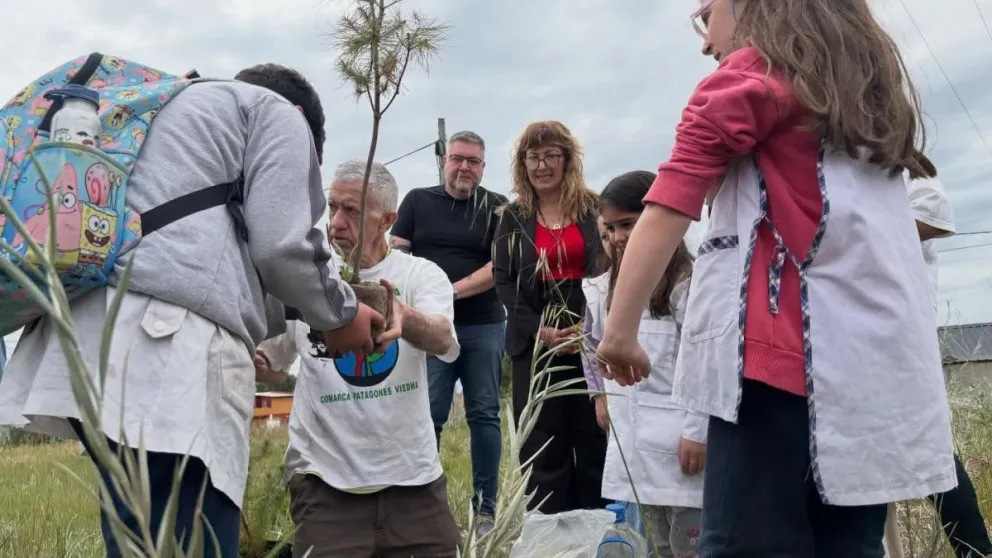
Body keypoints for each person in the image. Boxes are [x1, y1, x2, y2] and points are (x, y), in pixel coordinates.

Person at [597, 0, 956, 555]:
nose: (704, 41)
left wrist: (619, 331)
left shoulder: (749, 77)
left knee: (745, 545)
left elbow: (672, 198)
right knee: (849, 546)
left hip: (775, 368)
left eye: (706, 13)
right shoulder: (867, 99)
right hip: (868, 374)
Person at [0, 64, 385, 558]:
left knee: (139, 535)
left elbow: (223, 263)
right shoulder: (274, 114)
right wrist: (340, 313)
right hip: (167, 351)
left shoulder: (172, 114)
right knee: (194, 536)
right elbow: (282, 246)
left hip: (92, 339)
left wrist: (298, 313)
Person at [255, 160, 461, 558]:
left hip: (413, 482)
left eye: (351, 210)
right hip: (326, 484)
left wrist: (401, 314)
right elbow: (275, 363)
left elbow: (442, 337)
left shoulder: (421, 275)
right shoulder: (306, 279)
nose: (335, 223)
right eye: (332, 207)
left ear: (387, 219)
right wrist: (256, 360)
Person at [390, 130, 507, 532]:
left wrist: (446, 293)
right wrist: (423, 307)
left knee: (484, 415)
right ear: (444, 160)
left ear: (483, 168)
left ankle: (485, 511)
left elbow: (499, 268)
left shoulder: (497, 208)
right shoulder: (418, 201)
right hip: (429, 330)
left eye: (473, 161)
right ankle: (426, 505)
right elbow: (397, 254)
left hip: (484, 326)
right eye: (458, 158)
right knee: (429, 413)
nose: (464, 167)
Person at [588, 171, 705, 557]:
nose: (619, 237)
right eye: (611, 227)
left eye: (629, 224)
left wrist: (698, 431)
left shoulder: (687, 283)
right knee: (655, 545)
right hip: (640, 452)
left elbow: (704, 362)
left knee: (691, 543)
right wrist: (601, 396)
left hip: (682, 447)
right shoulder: (612, 290)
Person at [492, 120, 606, 514]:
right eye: (533, 157)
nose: (542, 165)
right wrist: (538, 330)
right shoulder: (511, 216)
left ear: (567, 160)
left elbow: (610, 269)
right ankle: (551, 539)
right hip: (534, 340)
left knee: (595, 438)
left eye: (551, 155)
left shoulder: (594, 208)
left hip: (588, 337)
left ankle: (602, 533)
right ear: (522, 164)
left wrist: (587, 331)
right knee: (542, 444)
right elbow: (503, 280)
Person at [904, 173, 992, 558]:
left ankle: (976, 551)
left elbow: (934, 214)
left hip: (899, 337)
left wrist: (854, 232)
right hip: (839, 340)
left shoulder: (900, 161)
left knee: (930, 450)